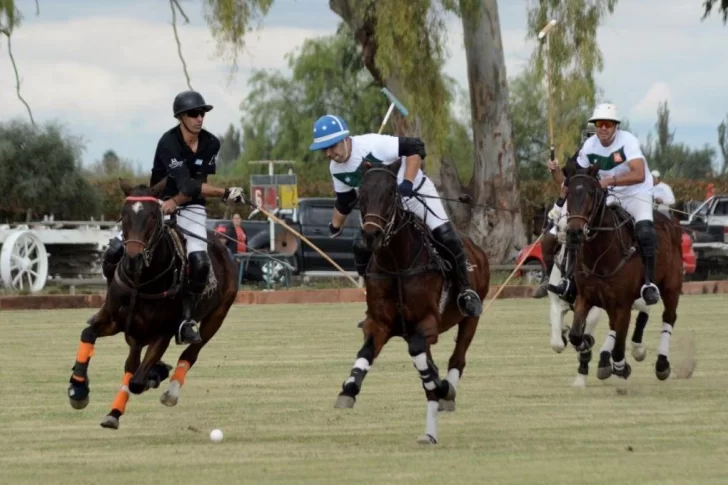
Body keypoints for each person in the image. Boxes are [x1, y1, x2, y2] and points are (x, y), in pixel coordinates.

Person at [99, 90, 246, 344]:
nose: (199, 118)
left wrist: (177, 202)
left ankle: (186, 320)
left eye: (202, 113)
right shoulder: (168, 143)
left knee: (199, 261)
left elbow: (194, 186)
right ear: (180, 117)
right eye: (193, 114)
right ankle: (112, 306)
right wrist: (225, 193)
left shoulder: (212, 143)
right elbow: (184, 182)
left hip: (192, 207)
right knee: (115, 250)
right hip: (155, 205)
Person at [308, 114, 483, 324]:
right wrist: (335, 225)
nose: (329, 153)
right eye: (324, 149)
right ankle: (375, 301)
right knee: (361, 245)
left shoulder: (375, 144)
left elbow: (416, 148)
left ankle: (466, 290)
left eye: (332, 146)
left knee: (445, 234)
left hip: (414, 193)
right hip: (383, 208)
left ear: (346, 138)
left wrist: (407, 182)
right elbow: (345, 201)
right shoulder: (336, 169)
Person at [551, 103, 660, 306]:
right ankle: (570, 280)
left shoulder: (628, 141)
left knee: (645, 232)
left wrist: (609, 181)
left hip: (636, 193)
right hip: (610, 195)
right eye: (599, 124)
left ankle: (649, 283)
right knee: (579, 228)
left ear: (615, 126)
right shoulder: (590, 146)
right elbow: (573, 180)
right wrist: (555, 171)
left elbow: (639, 173)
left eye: (608, 124)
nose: (603, 128)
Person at [532, 122, 596, 299]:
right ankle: (549, 277)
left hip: (597, 205)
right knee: (548, 238)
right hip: (575, 206)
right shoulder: (579, 157)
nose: (591, 140)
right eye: (589, 136)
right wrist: (555, 169)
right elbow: (562, 180)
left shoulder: (609, 154)